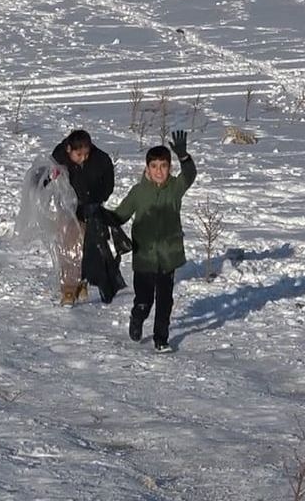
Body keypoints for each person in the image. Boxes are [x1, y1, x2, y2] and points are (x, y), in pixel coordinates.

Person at [106, 130, 196, 353]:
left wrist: (184, 157)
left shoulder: (175, 188)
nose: (159, 171)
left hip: (168, 257)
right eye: (154, 166)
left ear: (169, 168)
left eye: (163, 166)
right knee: (144, 300)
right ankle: (137, 317)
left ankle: (161, 339)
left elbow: (190, 175)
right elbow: (120, 215)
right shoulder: (138, 192)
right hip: (144, 257)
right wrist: (101, 215)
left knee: (165, 302)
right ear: (147, 169)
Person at [50, 129, 115, 305]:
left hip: (91, 209)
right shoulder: (58, 157)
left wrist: (97, 199)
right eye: (79, 155)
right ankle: (68, 290)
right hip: (67, 210)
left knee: (86, 249)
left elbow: (108, 185)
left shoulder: (101, 159)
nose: (83, 158)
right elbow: (46, 177)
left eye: (86, 154)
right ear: (69, 149)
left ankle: (83, 281)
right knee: (68, 250)